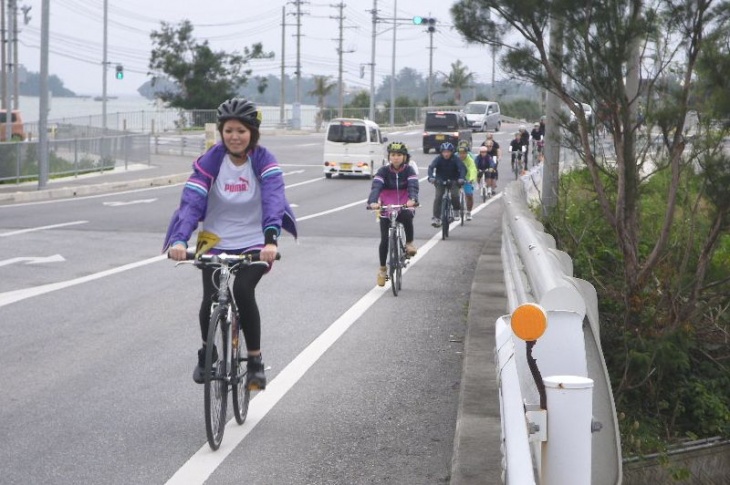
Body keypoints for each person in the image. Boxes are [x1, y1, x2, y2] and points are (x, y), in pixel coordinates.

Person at [164, 97, 297, 390]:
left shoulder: (264, 161)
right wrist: (178, 239)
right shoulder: (210, 163)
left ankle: (254, 361)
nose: (234, 137)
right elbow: (191, 203)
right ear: (222, 133)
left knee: (242, 289)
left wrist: (271, 240)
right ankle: (207, 353)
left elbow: (274, 199)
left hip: (255, 241)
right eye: (228, 131)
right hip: (214, 239)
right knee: (211, 297)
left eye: (241, 130)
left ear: (252, 133)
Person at [367, 141, 419, 287]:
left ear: (405, 157)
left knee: (408, 216)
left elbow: (413, 186)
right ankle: (383, 269)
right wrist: (373, 202)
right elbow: (376, 187)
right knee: (384, 239)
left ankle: (409, 243)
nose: (396, 158)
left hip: (403, 205)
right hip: (386, 207)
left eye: (399, 155)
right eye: (393, 155)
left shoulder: (409, 171)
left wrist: (412, 199)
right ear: (389, 156)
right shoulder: (383, 171)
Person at [427, 142, 466, 227]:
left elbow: (462, 168)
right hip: (440, 180)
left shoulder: (456, 159)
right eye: (444, 152)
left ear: (452, 152)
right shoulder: (438, 159)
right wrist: (431, 177)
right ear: (441, 152)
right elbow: (431, 167)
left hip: (454, 180)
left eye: (448, 152)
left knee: (455, 195)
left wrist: (461, 178)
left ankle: (456, 210)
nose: (446, 154)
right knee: (438, 197)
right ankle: (436, 218)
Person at [456, 140, 477, 221]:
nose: (462, 155)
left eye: (464, 153)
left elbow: (473, 169)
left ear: (467, 153)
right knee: (453, 194)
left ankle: (468, 212)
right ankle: (454, 210)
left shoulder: (469, 159)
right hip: (456, 178)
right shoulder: (455, 158)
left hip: (467, 179)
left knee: (469, 195)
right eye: (460, 153)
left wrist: (471, 179)